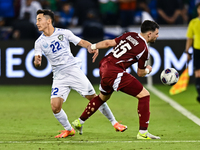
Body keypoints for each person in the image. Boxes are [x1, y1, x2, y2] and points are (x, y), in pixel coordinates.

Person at [34, 9, 127, 138]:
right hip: (59, 76)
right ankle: (69, 129)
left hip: (73, 70)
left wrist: (91, 47)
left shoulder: (64, 33)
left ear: (48, 21)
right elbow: (37, 61)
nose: (37, 22)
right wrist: (37, 62)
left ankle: (115, 123)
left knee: (94, 98)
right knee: (55, 107)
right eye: (37, 20)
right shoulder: (39, 42)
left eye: (39, 19)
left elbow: (81, 42)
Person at [72, 20, 161, 140]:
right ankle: (143, 132)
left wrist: (92, 46)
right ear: (149, 34)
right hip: (114, 71)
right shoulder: (144, 49)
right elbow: (140, 73)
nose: (157, 36)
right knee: (144, 95)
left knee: (103, 97)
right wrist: (148, 70)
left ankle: (79, 121)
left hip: (104, 65)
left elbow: (109, 43)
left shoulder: (130, 34)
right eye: (156, 33)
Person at [185, 2, 200, 103]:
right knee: (198, 73)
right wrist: (187, 51)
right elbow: (190, 38)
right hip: (197, 50)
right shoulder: (193, 22)